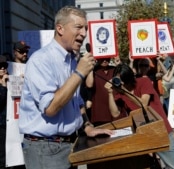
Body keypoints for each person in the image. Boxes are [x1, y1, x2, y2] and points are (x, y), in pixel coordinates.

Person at [18, 6, 113, 169]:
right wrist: (79, 73)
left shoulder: (72, 60)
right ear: (60, 28)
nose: (84, 33)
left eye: (85, 28)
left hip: (69, 145)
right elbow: (50, 107)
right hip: (46, 149)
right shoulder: (41, 60)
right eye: (78, 27)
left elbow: (77, 102)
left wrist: (87, 127)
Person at [104, 63, 174, 169]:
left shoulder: (143, 82)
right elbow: (115, 113)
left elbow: (143, 104)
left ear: (129, 77)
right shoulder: (119, 92)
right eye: (118, 79)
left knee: (173, 167)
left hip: (161, 131)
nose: (121, 83)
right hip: (143, 135)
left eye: (123, 79)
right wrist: (110, 93)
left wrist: (125, 91)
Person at [0, 55, 9, 168]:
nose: (2, 68)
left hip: (10, 125)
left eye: (4, 66)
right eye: (0, 66)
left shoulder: (9, 80)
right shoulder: (3, 83)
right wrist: (3, 86)